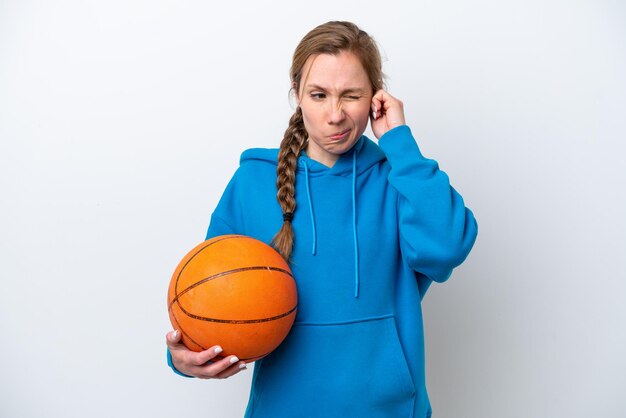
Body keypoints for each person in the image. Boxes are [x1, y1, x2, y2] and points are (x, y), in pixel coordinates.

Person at [165, 20, 478, 418]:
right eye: (318, 95)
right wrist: (182, 357)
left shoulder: (400, 178)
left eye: (352, 96)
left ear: (375, 99)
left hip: (390, 410)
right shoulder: (252, 182)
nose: (335, 115)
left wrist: (400, 141)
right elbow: (204, 294)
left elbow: (447, 247)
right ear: (297, 95)